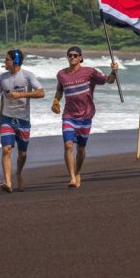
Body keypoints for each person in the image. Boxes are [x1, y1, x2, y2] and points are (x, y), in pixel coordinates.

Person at [52, 46, 118, 187]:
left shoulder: (90, 72)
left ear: (81, 57)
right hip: (68, 115)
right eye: (70, 55)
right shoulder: (61, 74)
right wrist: (55, 101)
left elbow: (109, 80)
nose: (72, 58)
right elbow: (59, 90)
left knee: (81, 148)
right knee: (68, 144)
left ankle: (77, 172)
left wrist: (114, 71)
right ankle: (72, 178)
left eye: (75, 55)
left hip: (86, 115)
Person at [0, 49, 45, 193]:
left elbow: (41, 92)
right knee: (6, 149)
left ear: (15, 61)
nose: (5, 62)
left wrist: (20, 94)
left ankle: (18, 173)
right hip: (7, 119)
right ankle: (8, 182)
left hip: (23, 120)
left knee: (22, 153)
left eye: (7, 60)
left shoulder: (28, 76)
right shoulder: (2, 78)